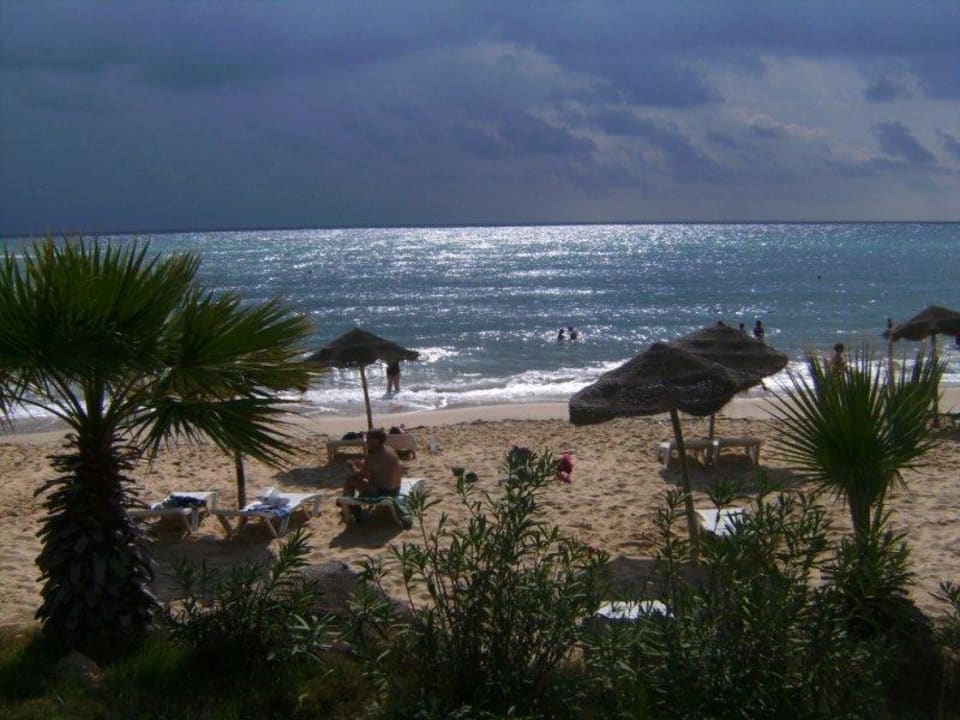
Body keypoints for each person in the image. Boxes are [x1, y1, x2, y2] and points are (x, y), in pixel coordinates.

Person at [342, 428, 402, 522]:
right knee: (355, 479)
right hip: (395, 489)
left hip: (382, 493)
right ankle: (348, 505)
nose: (366, 442)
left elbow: (361, 476)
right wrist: (362, 465)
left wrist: (352, 466)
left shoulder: (373, 456)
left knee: (350, 479)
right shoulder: (389, 450)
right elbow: (377, 472)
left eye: (368, 440)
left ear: (377, 442)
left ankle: (349, 507)